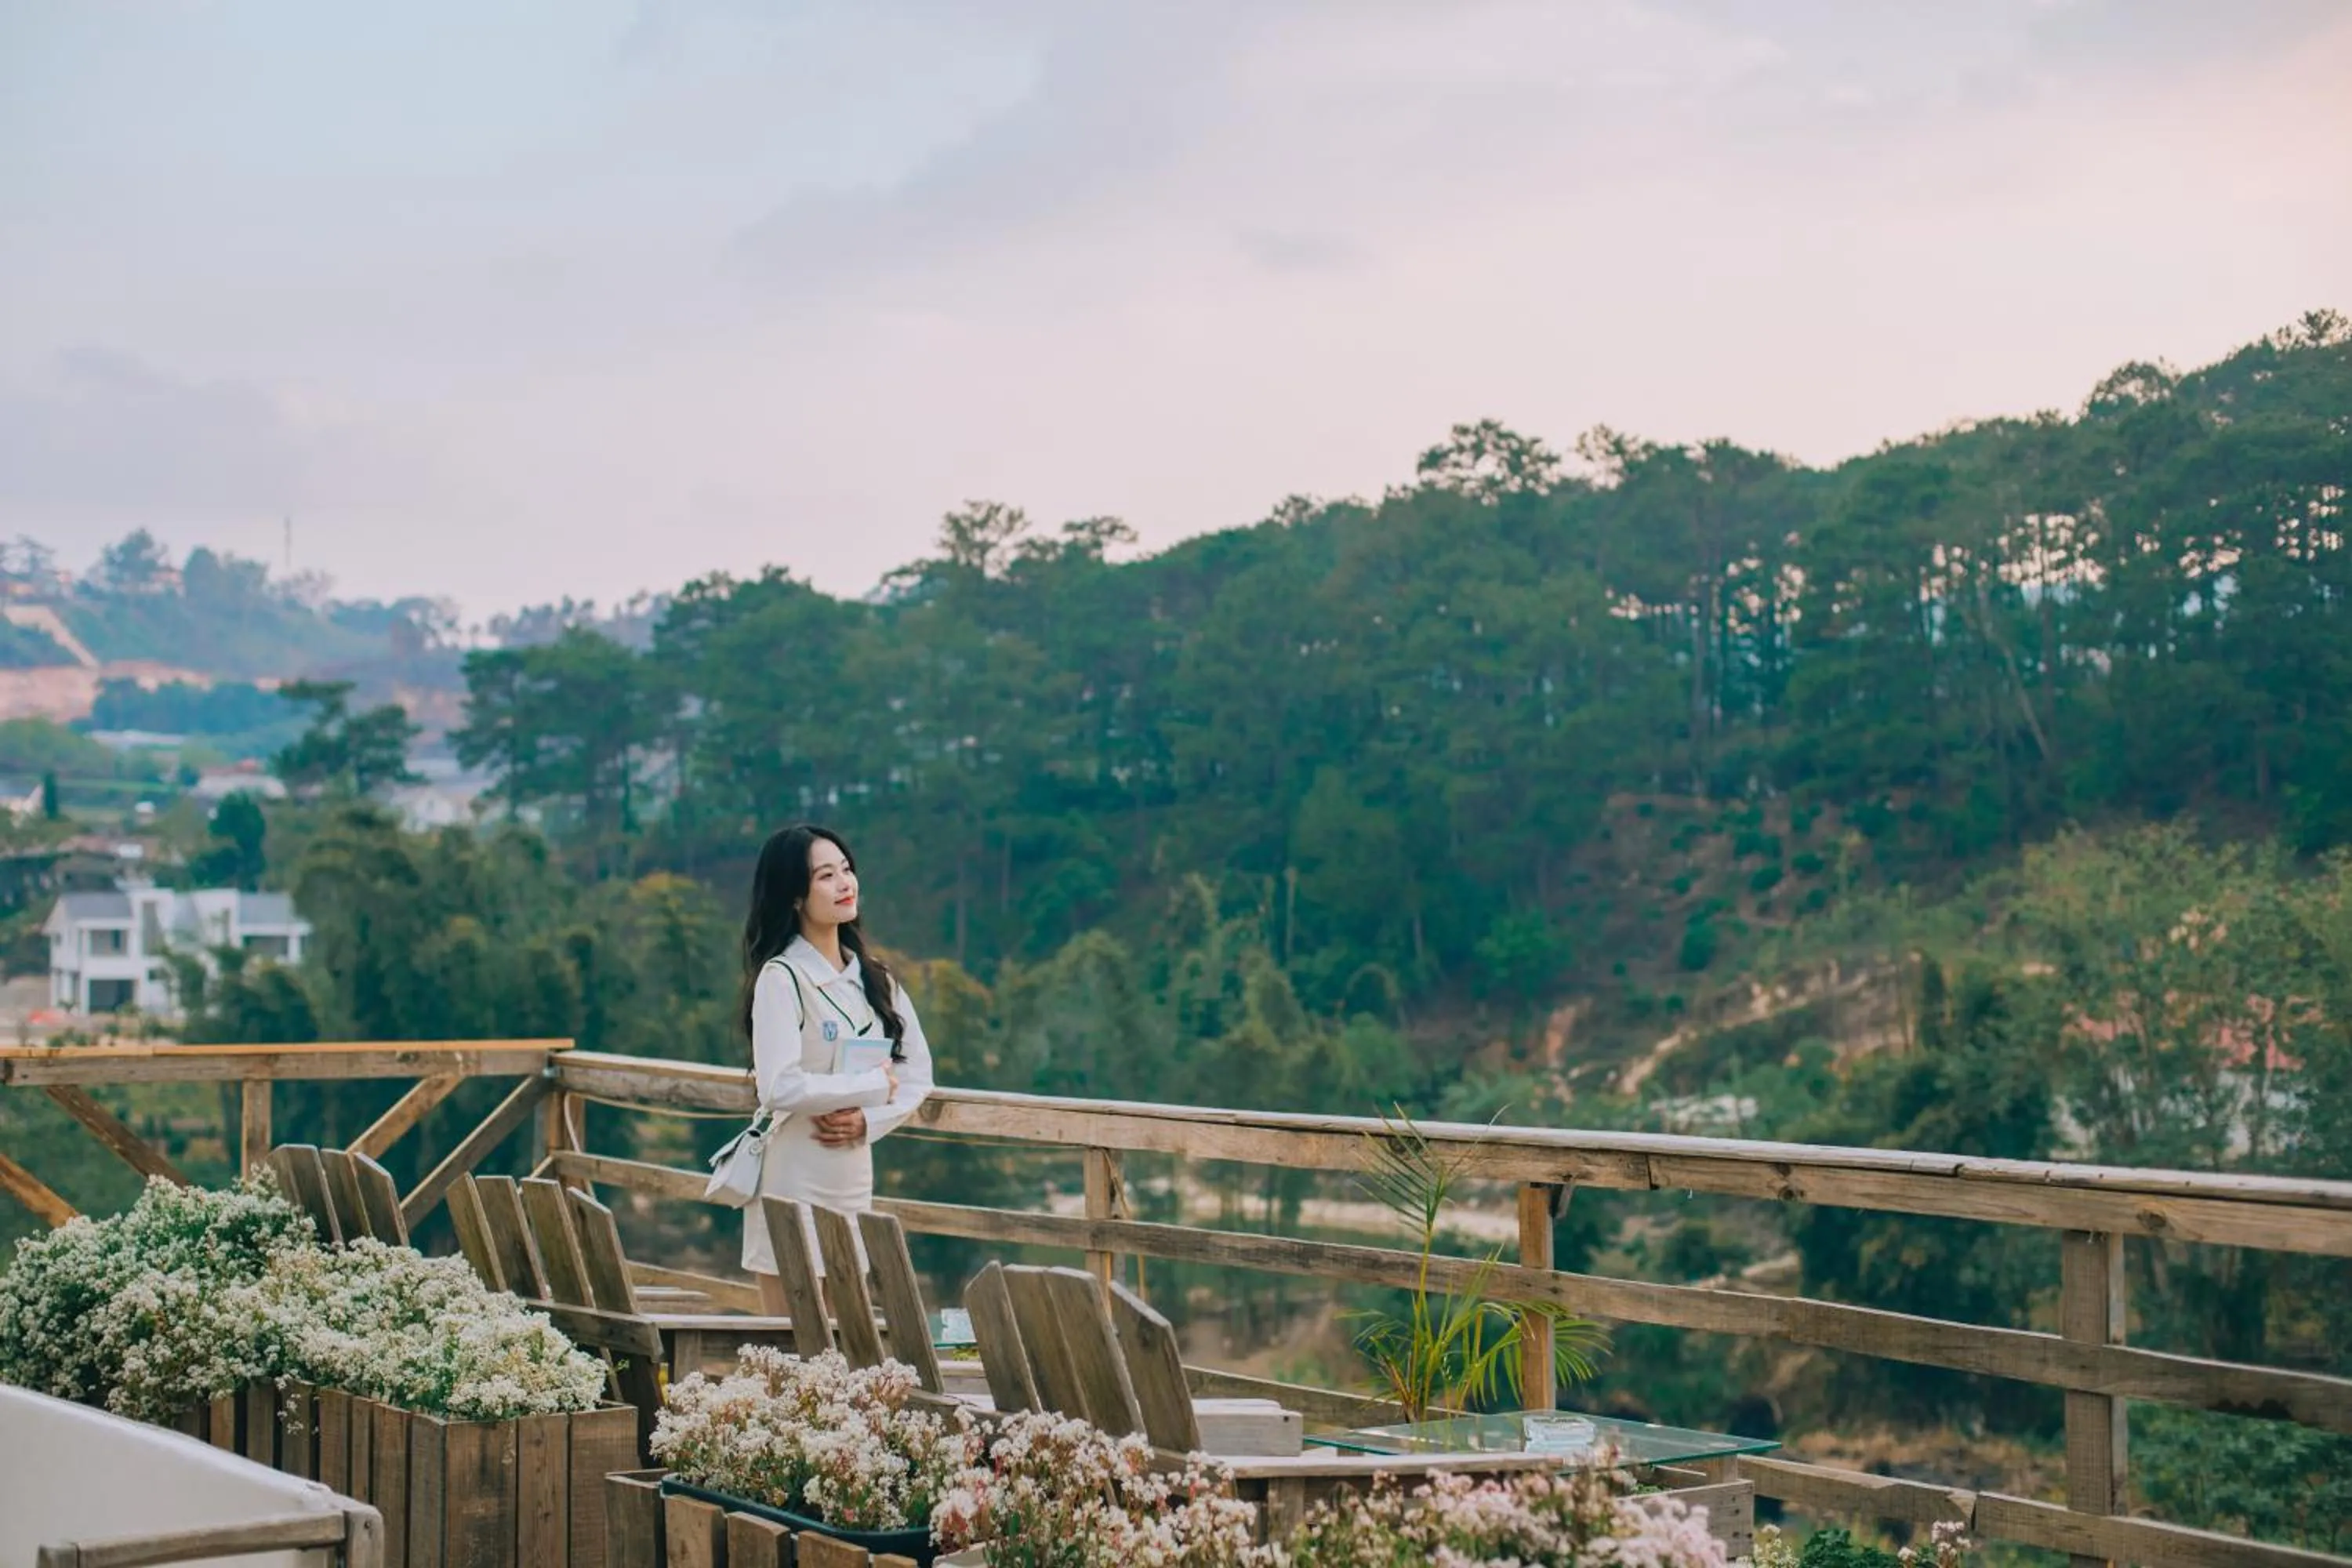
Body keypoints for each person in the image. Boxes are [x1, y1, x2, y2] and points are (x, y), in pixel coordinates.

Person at [737, 823, 935, 1315]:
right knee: (789, 1350)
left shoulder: (875, 978)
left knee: (845, 1349)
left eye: (846, 869)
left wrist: (869, 1120)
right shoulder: (782, 978)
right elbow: (779, 1087)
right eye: (826, 876)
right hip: (792, 1175)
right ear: (796, 897)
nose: (845, 883)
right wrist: (870, 1085)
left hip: (849, 1172)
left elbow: (917, 1078)